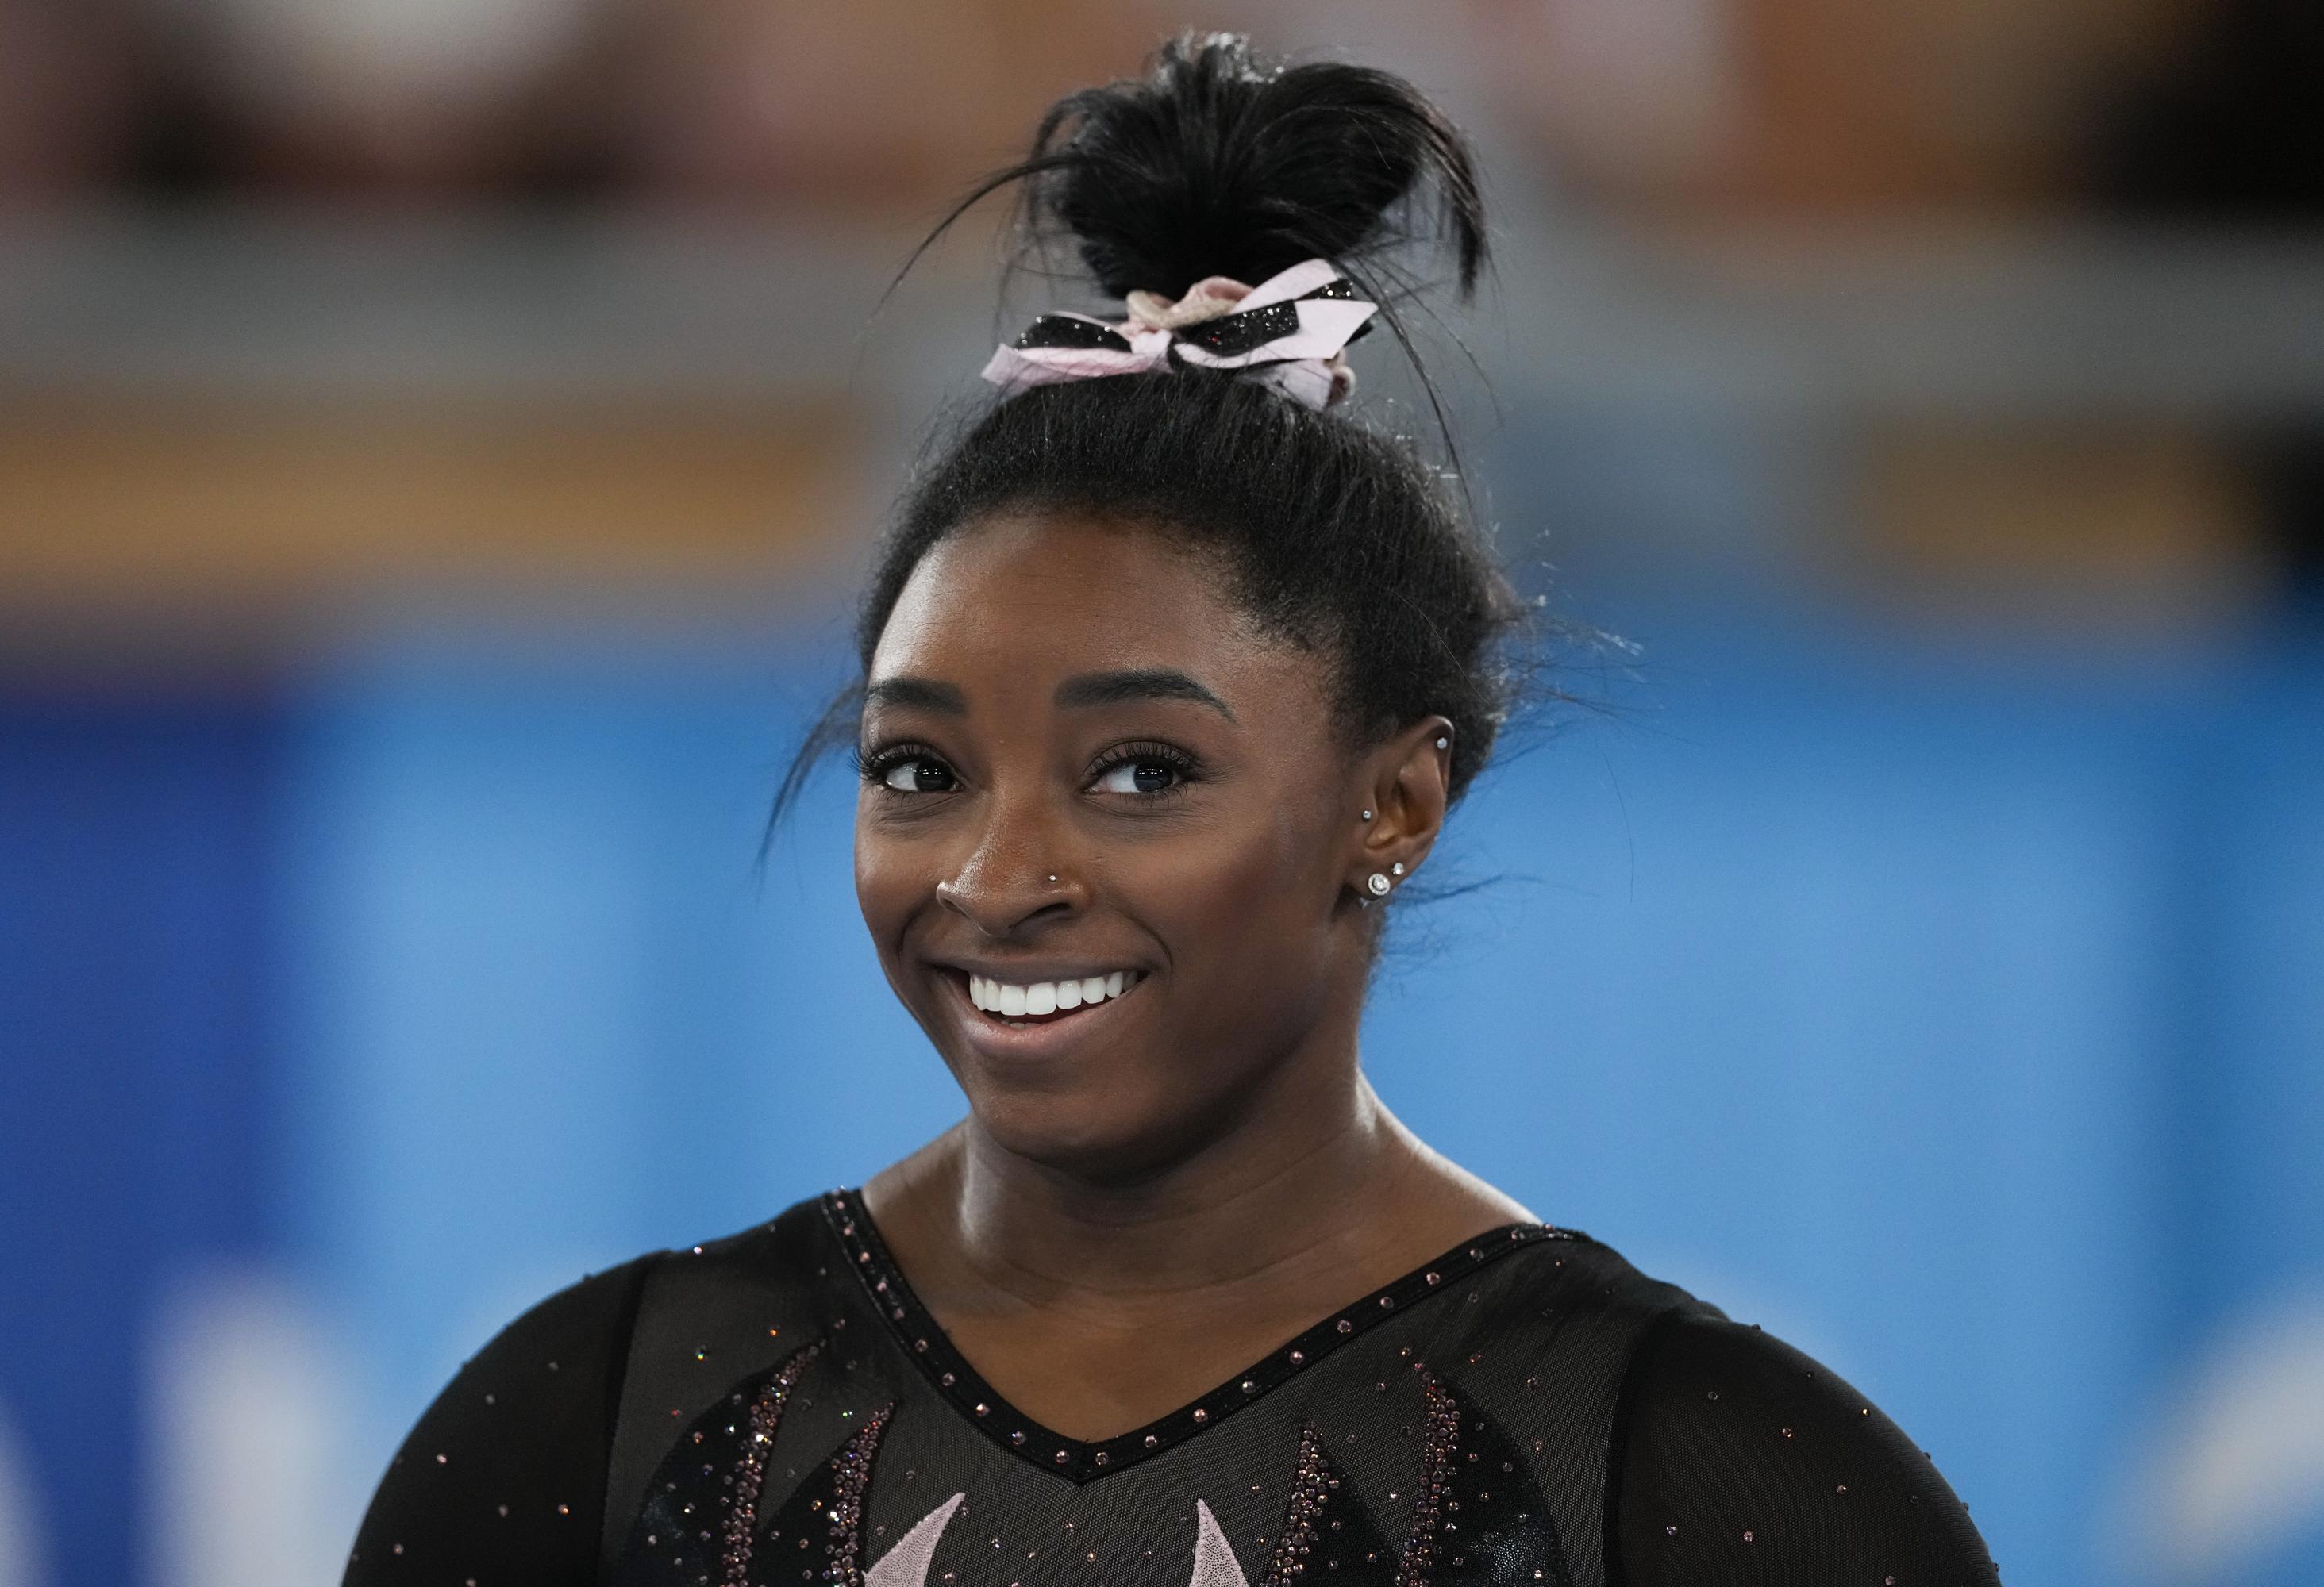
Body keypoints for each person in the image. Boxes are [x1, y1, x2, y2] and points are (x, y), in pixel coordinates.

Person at [342, 34, 1998, 1587]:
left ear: (1394, 800)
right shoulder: (595, 1425)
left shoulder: (1699, 1485)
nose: (996, 877)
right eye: (921, 770)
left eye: (1140, 771)